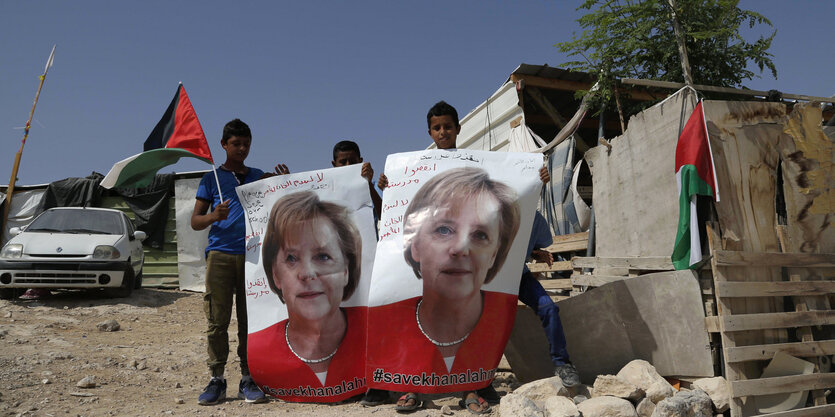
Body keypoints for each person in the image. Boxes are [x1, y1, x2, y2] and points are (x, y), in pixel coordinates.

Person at [375, 101, 578, 414]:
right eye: (437, 128)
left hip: (511, 274)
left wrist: (536, 180)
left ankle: (553, 366)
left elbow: (514, 224)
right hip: (462, 277)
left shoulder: (490, 172)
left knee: (541, 310)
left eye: (447, 127)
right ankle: (416, 386)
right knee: (426, 320)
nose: (443, 132)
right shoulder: (418, 168)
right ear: (429, 132)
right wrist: (390, 186)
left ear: (458, 129)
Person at [367, 167, 521, 413]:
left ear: (494, 254)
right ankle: (412, 385)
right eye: (444, 230)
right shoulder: (386, 316)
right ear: (414, 244)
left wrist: (540, 181)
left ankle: (472, 387)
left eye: (480, 234)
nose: (460, 248)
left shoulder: (500, 314)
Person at [191, 118, 288, 406]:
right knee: (217, 321)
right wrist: (213, 217)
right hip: (220, 254)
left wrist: (283, 180)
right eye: (236, 144)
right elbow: (195, 221)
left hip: (253, 257)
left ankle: (249, 377)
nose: (242, 148)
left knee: (250, 321)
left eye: (246, 144)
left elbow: (282, 199)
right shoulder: (211, 179)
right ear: (224, 145)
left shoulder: (258, 176)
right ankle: (217, 378)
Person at [247, 191, 367, 402]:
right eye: (291, 258)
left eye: (323, 256)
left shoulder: (378, 337)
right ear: (276, 274)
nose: (307, 273)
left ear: (346, 270)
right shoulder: (257, 350)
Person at [331, 140, 382, 220]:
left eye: (353, 162)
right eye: (343, 162)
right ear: (334, 165)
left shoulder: (374, 187)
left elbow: (384, 216)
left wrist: (368, 185)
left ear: (360, 161)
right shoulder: (328, 191)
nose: (348, 165)